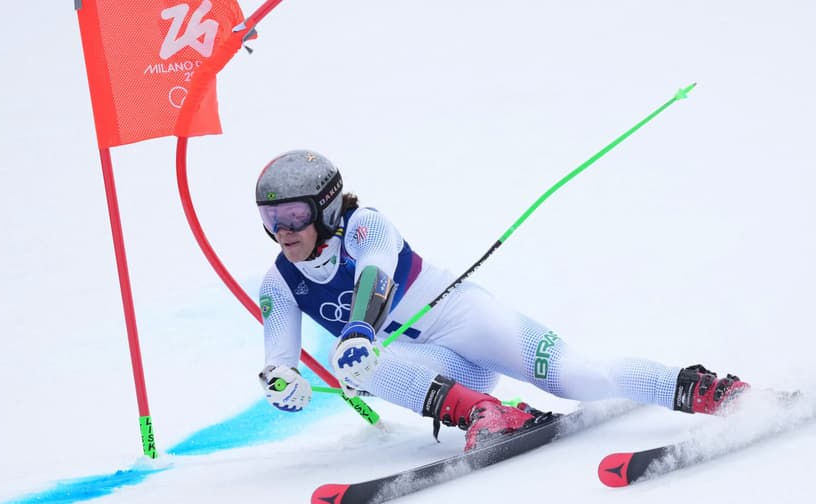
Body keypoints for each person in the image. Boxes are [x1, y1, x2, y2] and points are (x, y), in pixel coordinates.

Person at [255, 149, 749, 451]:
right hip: (440, 369)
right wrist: (283, 382)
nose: (283, 232)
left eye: (294, 215)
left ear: (327, 206)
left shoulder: (367, 225)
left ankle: (707, 391)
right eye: (270, 218)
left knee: (577, 378)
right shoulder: (278, 283)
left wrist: (359, 330)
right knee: (355, 367)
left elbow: (374, 278)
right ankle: (488, 414)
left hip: (467, 320)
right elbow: (278, 360)